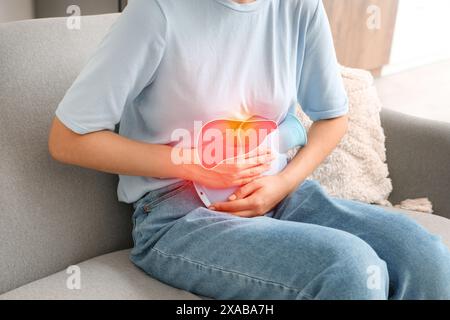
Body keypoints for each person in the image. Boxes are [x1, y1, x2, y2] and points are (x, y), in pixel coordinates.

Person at [48, 0, 450, 299]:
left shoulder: (299, 7)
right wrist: (190, 163)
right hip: (178, 215)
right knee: (349, 267)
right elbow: (67, 139)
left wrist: (282, 182)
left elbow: (332, 117)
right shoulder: (156, 12)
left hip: (278, 191)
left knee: (425, 255)